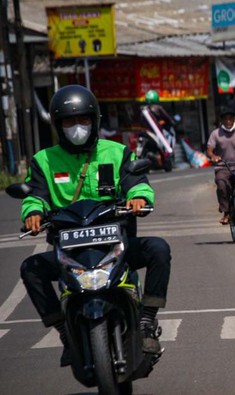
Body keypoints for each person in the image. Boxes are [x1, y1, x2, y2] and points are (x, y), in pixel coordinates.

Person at [19, 85, 171, 367]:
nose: (76, 127)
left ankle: (147, 321)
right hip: (69, 253)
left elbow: (137, 183)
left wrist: (138, 197)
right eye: (68, 121)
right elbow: (34, 195)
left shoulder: (117, 152)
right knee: (30, 269)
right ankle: (65, 333)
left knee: (159, 249)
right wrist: (34, 213)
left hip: (117, 245)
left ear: (95, 120)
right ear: (58, 125)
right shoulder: (44, 161)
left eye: (83, 120)